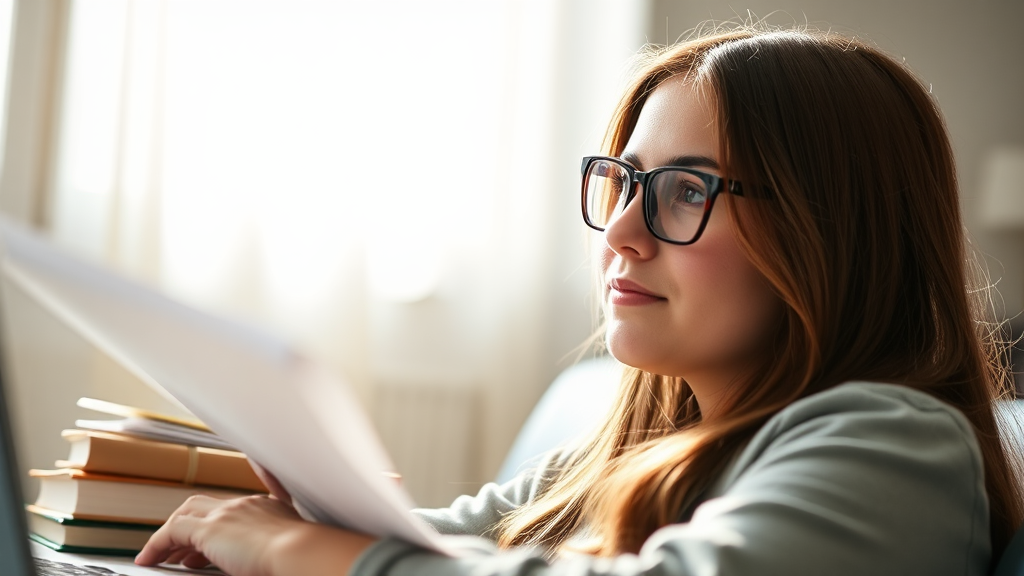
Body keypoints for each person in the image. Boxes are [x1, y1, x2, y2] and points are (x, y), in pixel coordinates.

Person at [134, 25, 1024, 576]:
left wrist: (298, 550)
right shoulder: (637, 450)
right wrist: (306, 513)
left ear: (832, 228)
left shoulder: (897, 444)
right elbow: (446, 542)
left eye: (684, 190)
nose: (620, 234)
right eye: (622, 183)